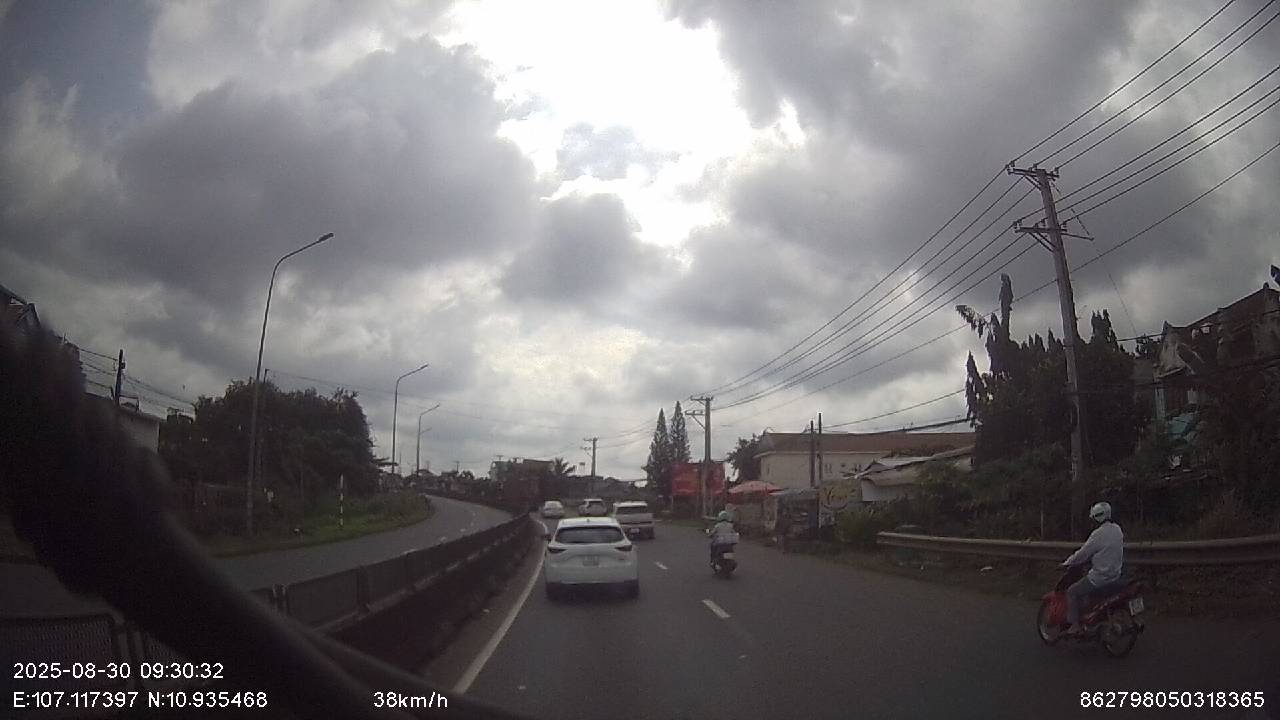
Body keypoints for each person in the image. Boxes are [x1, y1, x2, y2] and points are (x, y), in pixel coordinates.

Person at [1061, 501, 1124, 636]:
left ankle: (1075, 626)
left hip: (1100, 577)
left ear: (1097, 518)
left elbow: (1083, 553)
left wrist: (1067, 562)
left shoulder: (1098, 534)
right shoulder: (1117, 529)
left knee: (1072, 592)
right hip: (1115, 575)